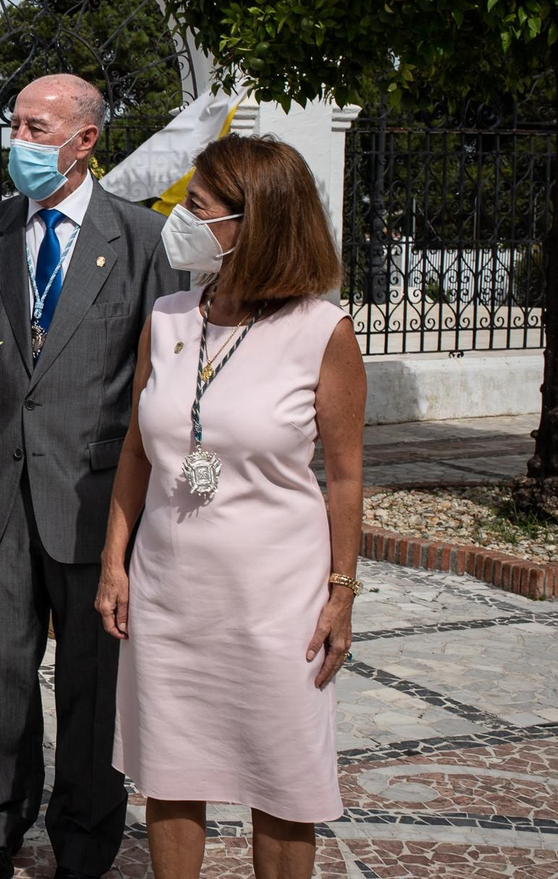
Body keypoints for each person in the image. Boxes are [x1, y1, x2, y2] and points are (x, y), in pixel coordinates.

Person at [96, 135, 366, 879]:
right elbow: (136, 451)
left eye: (199, 205)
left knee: (282, 781)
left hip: (277, 602)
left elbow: (344, 477)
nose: (180, 217)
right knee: (171, 775)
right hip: (170, 593)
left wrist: (342, 595)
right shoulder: (168, 317)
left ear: (255, 224)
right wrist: (113, 563)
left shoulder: (321, 332)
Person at [0, 74, 185, 879]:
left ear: (85, 141)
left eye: (36, 128)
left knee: (92, 684)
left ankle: (84, 837)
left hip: (95, 501)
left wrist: (153, 513)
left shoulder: (143, 239)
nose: (19, 141)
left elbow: (165, 381)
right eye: (15, 124)